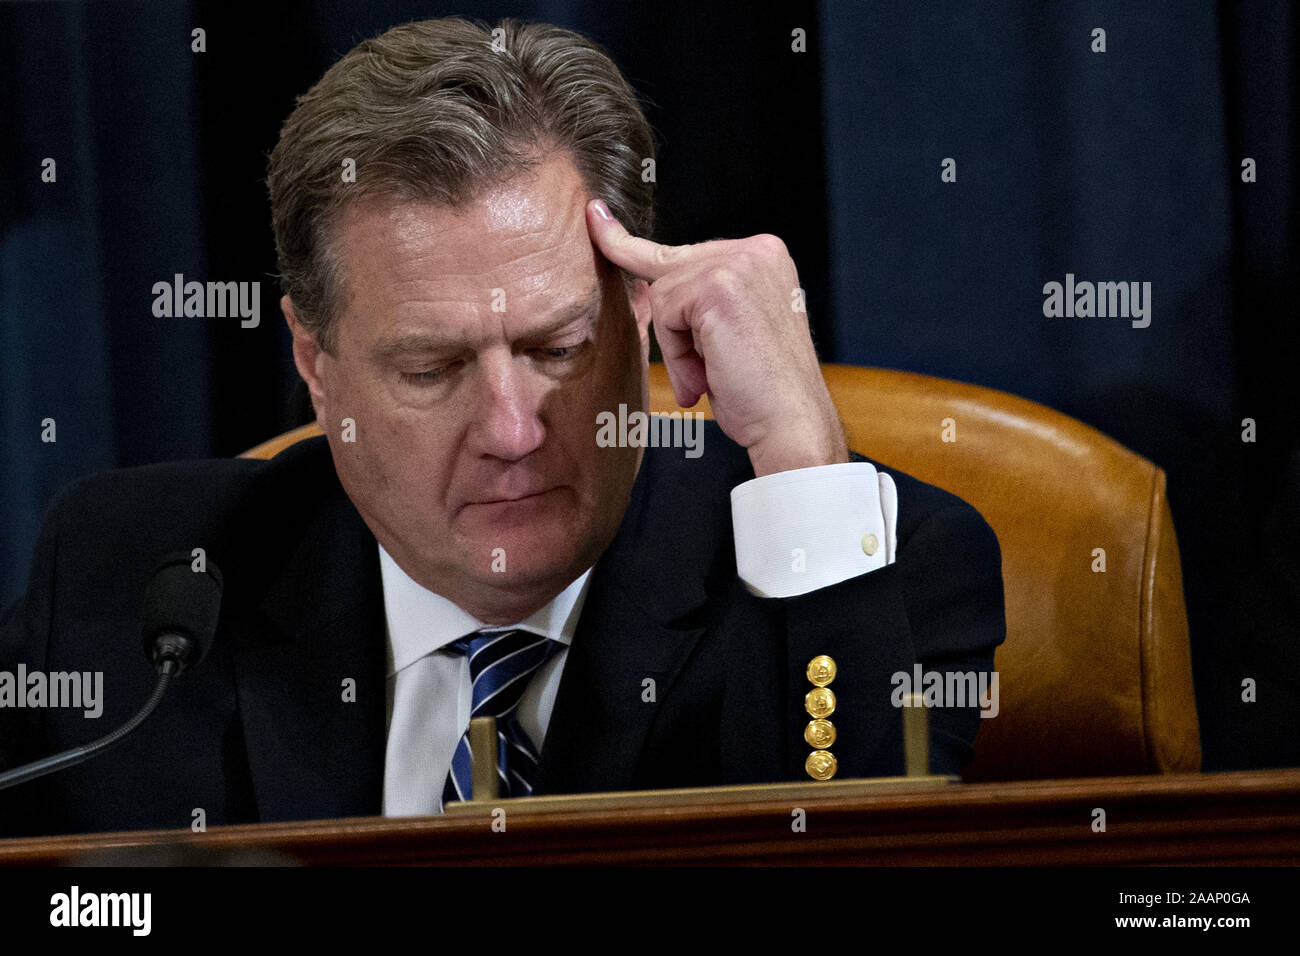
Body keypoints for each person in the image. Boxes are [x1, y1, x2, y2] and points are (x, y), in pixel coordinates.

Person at [0, 17, 1004, 837]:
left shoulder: (884, 571)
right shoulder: (131, 583)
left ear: (643, 312)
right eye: (431, 368)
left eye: (560, 346)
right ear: (314, 361)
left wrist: (798, 445)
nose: (514, 430)